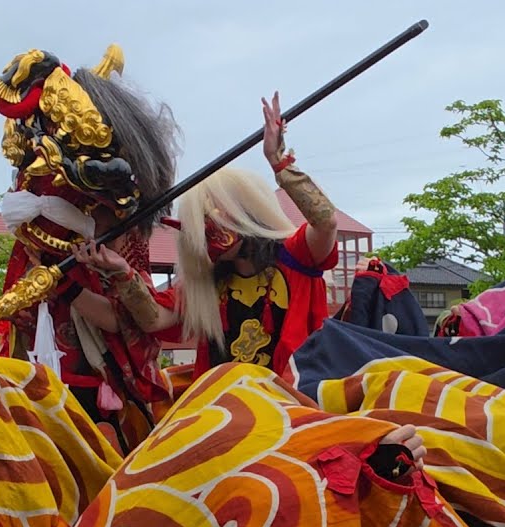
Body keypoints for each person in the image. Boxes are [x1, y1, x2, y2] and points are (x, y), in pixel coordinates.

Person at [0, 45, 179, 449]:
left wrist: (68, 286)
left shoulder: (122, 232)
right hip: (31, 358)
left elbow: (131, 321)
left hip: (91, 373)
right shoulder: (38, 217)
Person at [75, 92, 338, 384]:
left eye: (209, 218)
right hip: (222, 400)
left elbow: (326, 222)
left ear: (242, 210)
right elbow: (152, 319)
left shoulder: (296, 255)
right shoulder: (206, 285)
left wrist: (279, 162)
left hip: (291, 397)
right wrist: (122, 273)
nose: (203, 234)